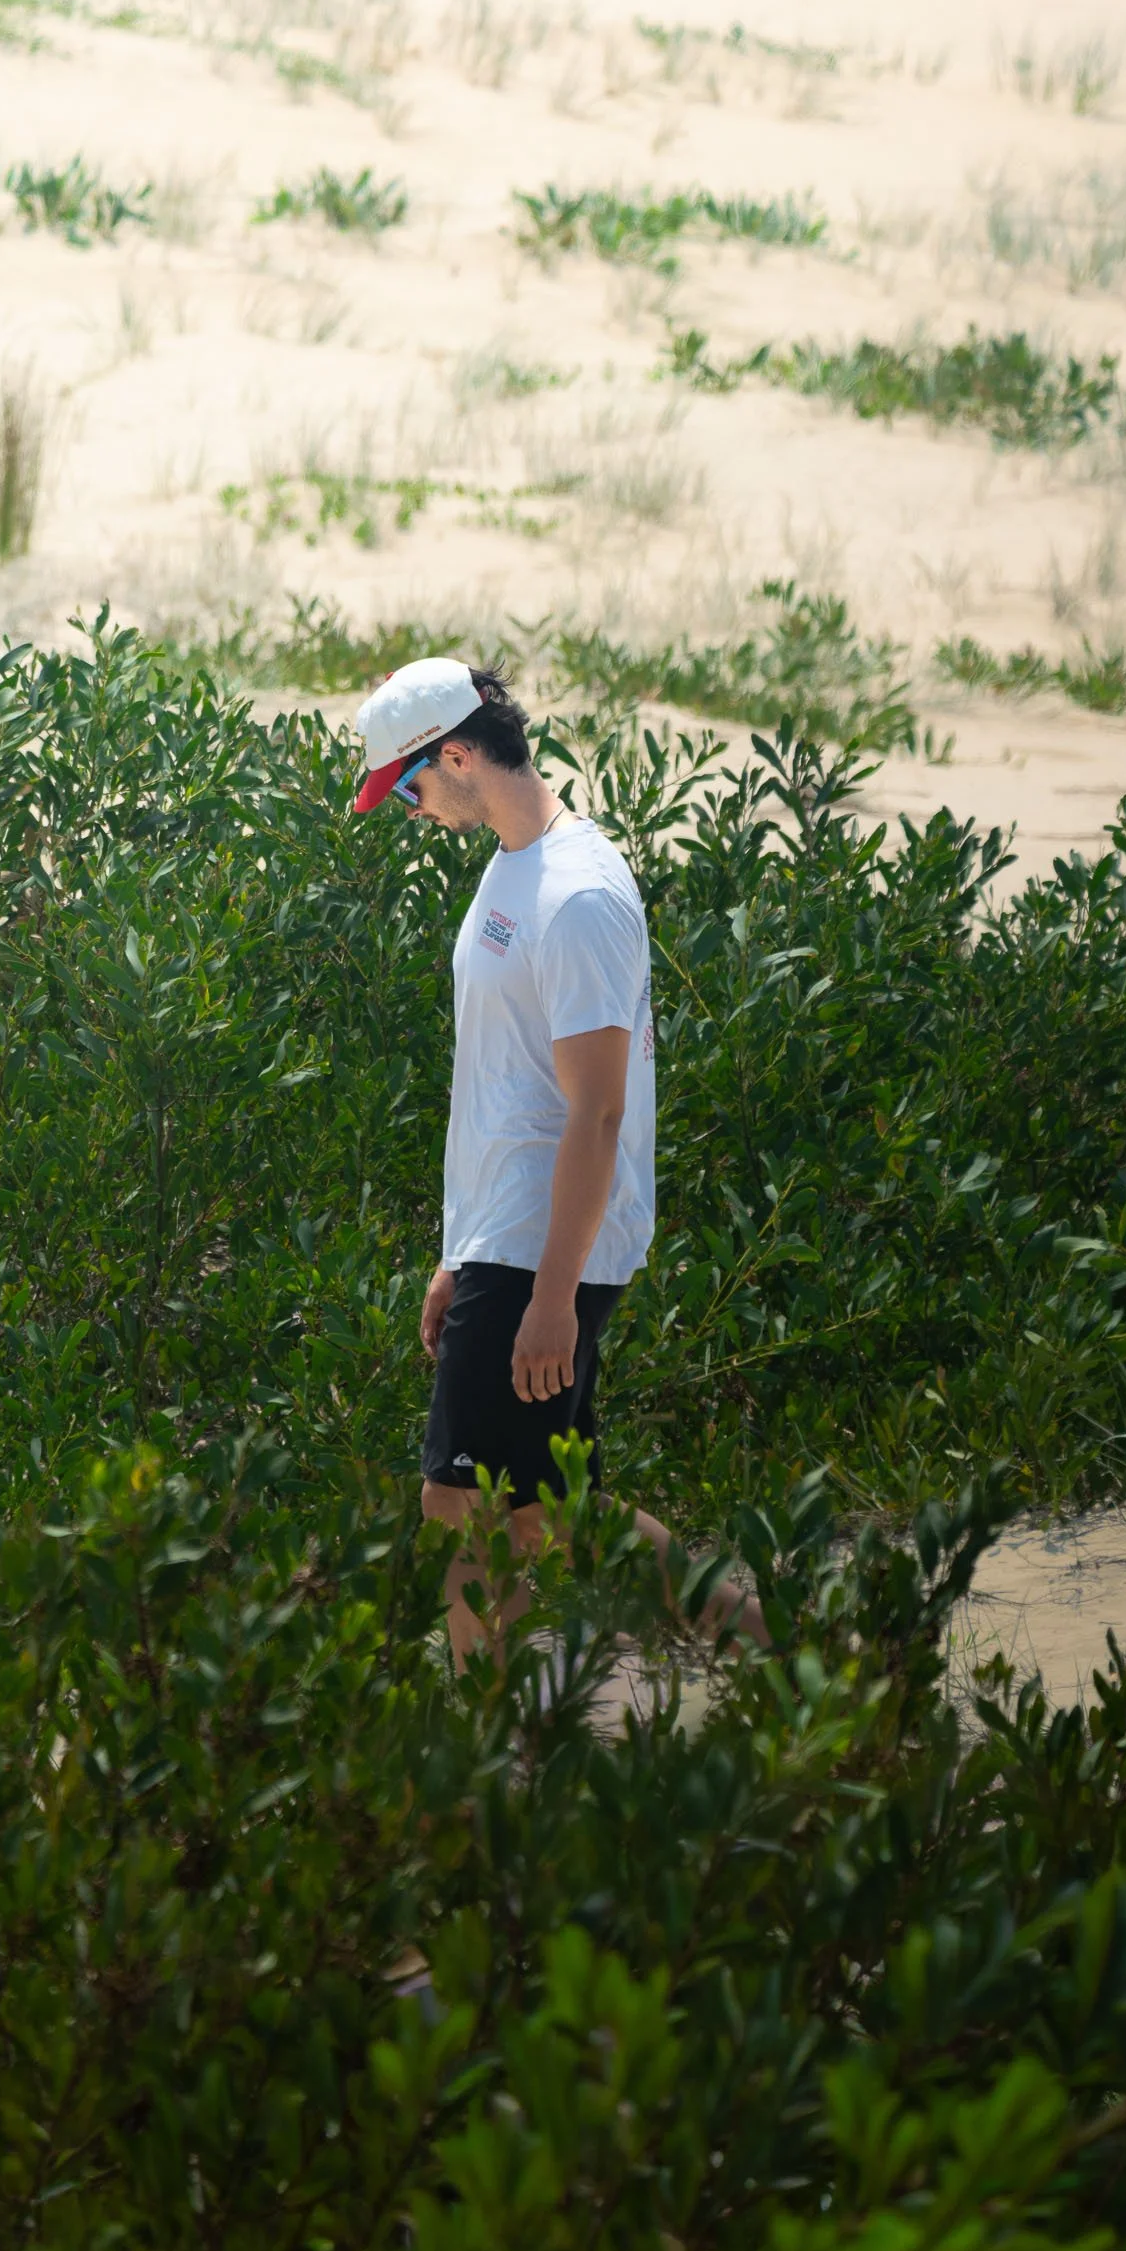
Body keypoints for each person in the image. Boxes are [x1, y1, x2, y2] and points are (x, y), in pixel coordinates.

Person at [352, 654, 770, 1668]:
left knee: (460, 1503)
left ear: (457, 754)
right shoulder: (512, 864)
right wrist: (462, 1251)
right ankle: (782, 1647)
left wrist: (547, 1295)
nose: (407, 810)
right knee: (538, 1508)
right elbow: (508, 1088)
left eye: (406, 785)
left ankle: (485, 1747)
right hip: (509, 1238)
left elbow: (595, 1114)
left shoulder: (578, 895)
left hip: (550, 1251)